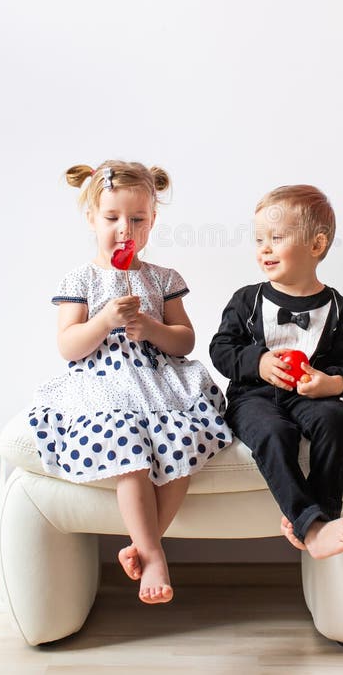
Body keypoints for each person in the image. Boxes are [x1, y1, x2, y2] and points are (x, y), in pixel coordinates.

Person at [29, 160, 231, 604]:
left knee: (184, 442)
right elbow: (68, 345)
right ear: (91, 218)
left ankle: (142, 545)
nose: (125, 230)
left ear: (153, 221)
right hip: (103, 385)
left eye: (138, 220)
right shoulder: (80, 279)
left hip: (159, 383)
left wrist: (151, 329)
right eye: (112, 218)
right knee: (127, 448)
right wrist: (104, 321)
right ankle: (155, 556)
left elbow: (186, 340)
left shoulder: (162, 279)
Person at [209, 185, 343, 559]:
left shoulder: (341, 310)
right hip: (254, 396)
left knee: (338, 425)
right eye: (259, 239)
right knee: (275, 433)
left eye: (277, 238)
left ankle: (323, 515)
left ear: (316, 245)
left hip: (310, 395)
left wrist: (331, 383)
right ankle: (309, 524)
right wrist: (258, 362)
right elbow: (221, 349)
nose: (264, 248)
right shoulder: (247, 300)